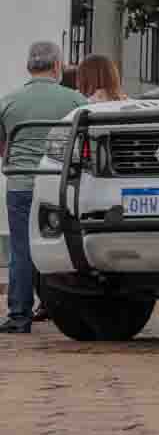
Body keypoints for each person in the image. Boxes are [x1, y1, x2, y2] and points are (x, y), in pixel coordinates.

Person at [0, 42, 87, 333]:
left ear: (29, 67)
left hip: (21, 184)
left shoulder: (8, 101)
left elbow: (2, 146)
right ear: (57, 66)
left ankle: (19, 315)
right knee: (64, 244)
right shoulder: (77, 100)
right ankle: (59, 305)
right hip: (61, 184)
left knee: (21, 250)